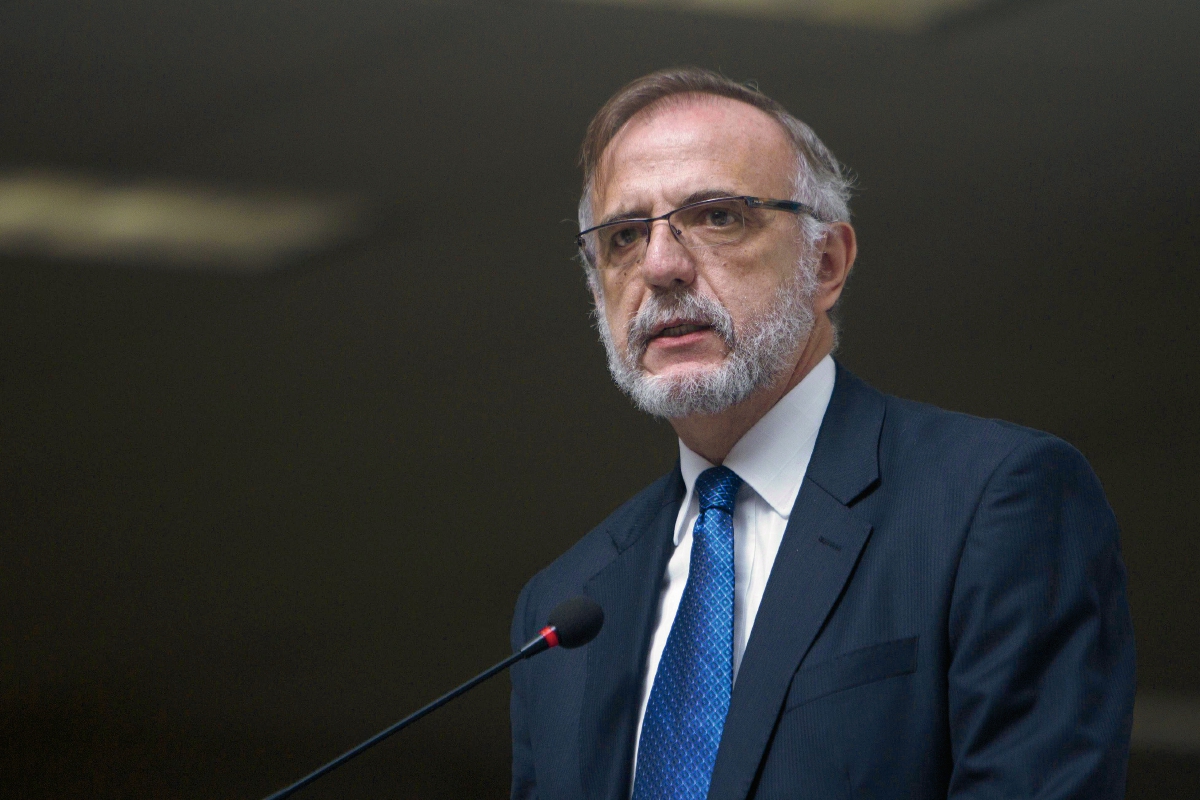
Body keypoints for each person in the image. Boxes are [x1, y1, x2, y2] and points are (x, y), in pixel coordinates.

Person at [509, 67, 1135, 800]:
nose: (661, 266)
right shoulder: (564, 606)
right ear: (597, 288)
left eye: (717, 217)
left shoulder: (993, 501)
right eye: (623, 235)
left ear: (826, 263)